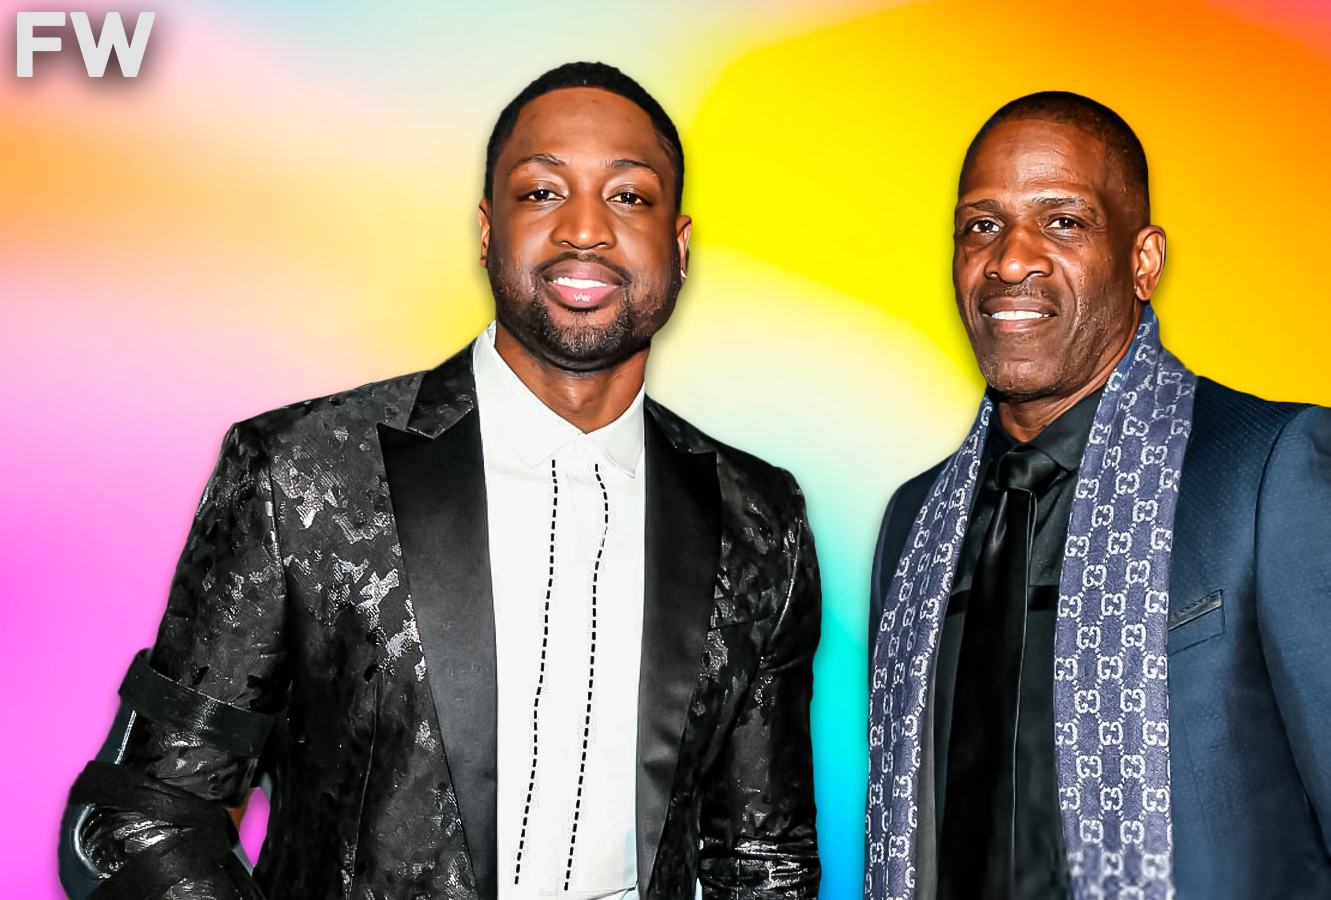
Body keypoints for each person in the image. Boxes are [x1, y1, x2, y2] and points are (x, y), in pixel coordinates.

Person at [61, 62, 822, 900]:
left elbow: (763, 858)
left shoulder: (760, 521)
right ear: (488, 231)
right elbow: (142, 814)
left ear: (678, 248)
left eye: (628, 196)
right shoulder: (303, 472)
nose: (585, 229)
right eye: (542, 192)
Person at [864, 92, 1331, 899]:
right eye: (982, 225)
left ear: (1144, 261)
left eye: (1063, 221)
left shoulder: (1277, 471)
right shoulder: (916, 525)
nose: (1011, 260)